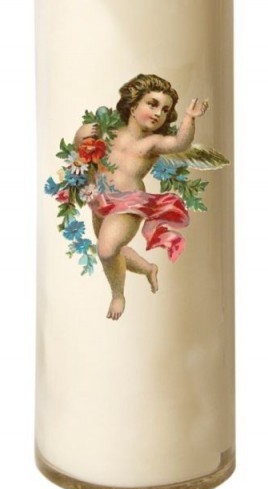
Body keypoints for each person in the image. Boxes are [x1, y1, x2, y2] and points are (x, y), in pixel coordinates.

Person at [73, 74, 209, 321]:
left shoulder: (152, 142)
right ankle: (148, 268)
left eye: (165, 110)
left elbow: (180, 143)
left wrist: (189, 118)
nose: (159, 113)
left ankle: (118, 295)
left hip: (129, 202)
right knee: (112, 249)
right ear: (133, 106)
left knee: (106, 250)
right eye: (152, 104)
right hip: (100, 199)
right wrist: (81, 136)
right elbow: (82, 153)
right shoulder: (108, 132)